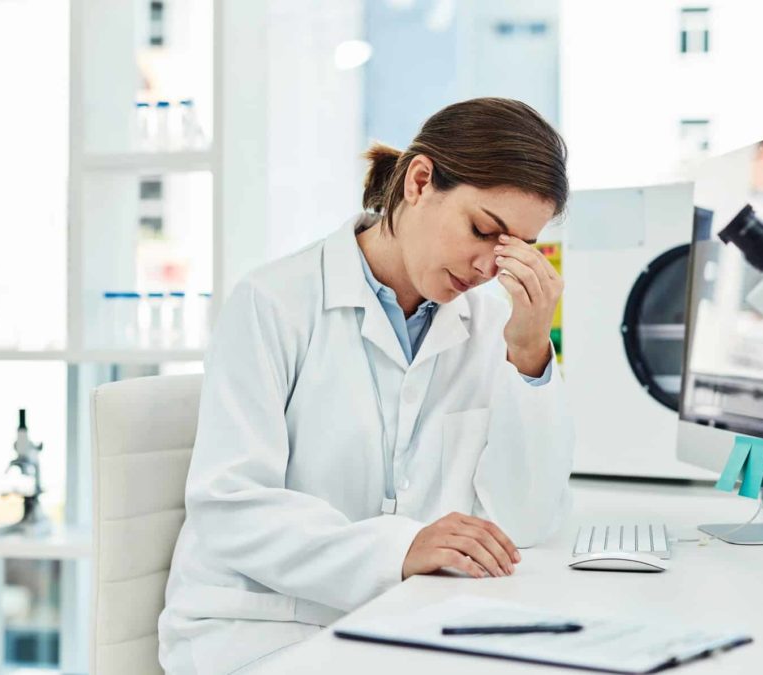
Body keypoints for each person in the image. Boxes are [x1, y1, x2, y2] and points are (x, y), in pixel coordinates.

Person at [158, 97, 574, 674]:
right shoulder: (273, 302)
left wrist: (529, 352)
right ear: (420, 181)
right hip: (259, 632)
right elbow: (230, 507)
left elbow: (525, 521)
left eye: (510, 251)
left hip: (402, 625)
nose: (486, 268)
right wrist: (399, 548)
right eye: (482, 230)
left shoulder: (487, 327)